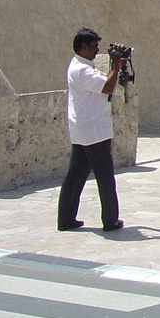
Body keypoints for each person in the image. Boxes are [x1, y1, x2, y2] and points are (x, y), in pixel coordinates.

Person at [57, 28, 126, 232]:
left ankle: (66, 218)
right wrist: (115, 66)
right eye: (94, 47)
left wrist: (118, 65)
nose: (97, 51)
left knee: (75, 175)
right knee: (105, 177)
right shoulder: (82, 70)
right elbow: (107, 87)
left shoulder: (80, 65)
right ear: (83, 47)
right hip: (95, 131)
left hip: (83, 130)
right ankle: (110, 220)